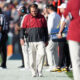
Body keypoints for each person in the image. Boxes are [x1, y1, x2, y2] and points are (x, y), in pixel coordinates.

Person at [20, 4, 48, 77]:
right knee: (32, 59)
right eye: (32, 11)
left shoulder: (42, 17)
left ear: (37, 10)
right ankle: (34, 72)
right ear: (30, 11)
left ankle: (40, 71)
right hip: (30, 40)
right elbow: (22, 29)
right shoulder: (26, 17)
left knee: (42, 54)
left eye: (35, 11)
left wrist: (47, 40)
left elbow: (45, 29)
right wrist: (21, 38)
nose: (34, 12)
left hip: (41, 40)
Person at [57, 0, 80, 80]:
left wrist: (60, 32)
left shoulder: (72, 2)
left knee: (76, 61)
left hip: (74, 34)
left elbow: (65, 19)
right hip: (74, 34)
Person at [51, 3, 71, 72]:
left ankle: (59, 66)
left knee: (62, 50)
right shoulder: (71, 14)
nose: (60, 9)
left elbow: (63, 23)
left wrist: (60, 32)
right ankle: (67, 66)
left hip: (64, 34)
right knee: (67, 51)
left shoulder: (65, 14)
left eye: (61, 8)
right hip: (70, 34)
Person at [46, 4, 60, 71]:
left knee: (49, 49)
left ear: (49, 9)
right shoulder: (57, 15)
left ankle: (51, 66)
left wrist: (48, 34)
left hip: (52, 34)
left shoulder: (51, 16)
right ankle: (56, 65)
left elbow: (50, 26)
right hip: (57, 34)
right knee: (55, 51)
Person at [17, 5, 30, 69]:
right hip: (26, 36)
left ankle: (27, 66)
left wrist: (22, 37)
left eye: (19, 11)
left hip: (25, 36)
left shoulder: (25, 17)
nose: (18, 12)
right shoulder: (26, 16)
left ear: (22, 11)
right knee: (26, 51)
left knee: (26, 51)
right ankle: (27, 65)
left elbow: (23, 28)